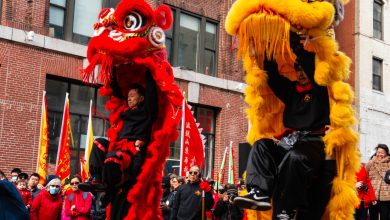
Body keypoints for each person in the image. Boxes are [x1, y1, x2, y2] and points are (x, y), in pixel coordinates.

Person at [234, 35, 336, 220]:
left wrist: (297, 46)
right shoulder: (291, 91)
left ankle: (287, 209)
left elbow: (314, 72)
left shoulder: (320, 91)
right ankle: (259, 192)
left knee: (295, 157)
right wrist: (267, 49)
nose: (301, 73)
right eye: (298, 69)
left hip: (313, 143)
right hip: (290, 142)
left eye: (304, 69)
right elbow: (273, 77)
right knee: (262, 146)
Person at [79, 69, 158, 219]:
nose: (129, 98)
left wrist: (148, 69)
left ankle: (108, 190)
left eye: (132, 96)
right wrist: (113, 72)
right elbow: (116, 92)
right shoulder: (124, 111)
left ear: (141, 98)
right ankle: (97, 179)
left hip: (132, 150)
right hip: (118, 146)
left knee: (114, 158)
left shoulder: (147, 111)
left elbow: (152, 93)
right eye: (128, 96)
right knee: (98, 143)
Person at [365, 144, 390, 220]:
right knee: (373, 217)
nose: (380, 154)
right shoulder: (370, 163)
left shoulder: (389, 163)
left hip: (386, 197)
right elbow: (364, 177)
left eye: (382, 152)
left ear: (386, 153)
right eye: (378, 152)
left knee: (385, 218)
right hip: (373, 196)